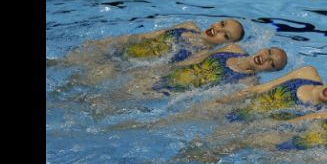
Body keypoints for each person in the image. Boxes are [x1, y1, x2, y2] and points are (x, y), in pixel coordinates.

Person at [113, 66, 327, 133]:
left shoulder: (319, 113)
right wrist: (225, 101)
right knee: (167, 121)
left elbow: (274, 125)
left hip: (241, 124)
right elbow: (263, 87)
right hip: (235, 106)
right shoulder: (307, 75)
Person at [51, 18, 245, 85]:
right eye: (221, 24)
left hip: (123, 68)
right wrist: (106, 42)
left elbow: (168, 68)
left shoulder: (202, 54)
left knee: (76, 84)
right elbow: (145, 36)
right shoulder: (188, 26)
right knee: (60, 63)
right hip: (120, 52)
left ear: (223, 44)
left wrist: (128, 74)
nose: (218, 30)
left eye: (225, 35)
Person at [117, 46, 287, 99]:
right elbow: (192, 60)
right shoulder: (232, 48)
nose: (266, 58)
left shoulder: (249, 83)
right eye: (269, 52)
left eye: (271, 63)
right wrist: (155, 71)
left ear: (270, 71)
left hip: (168, 93)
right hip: (161, 76)